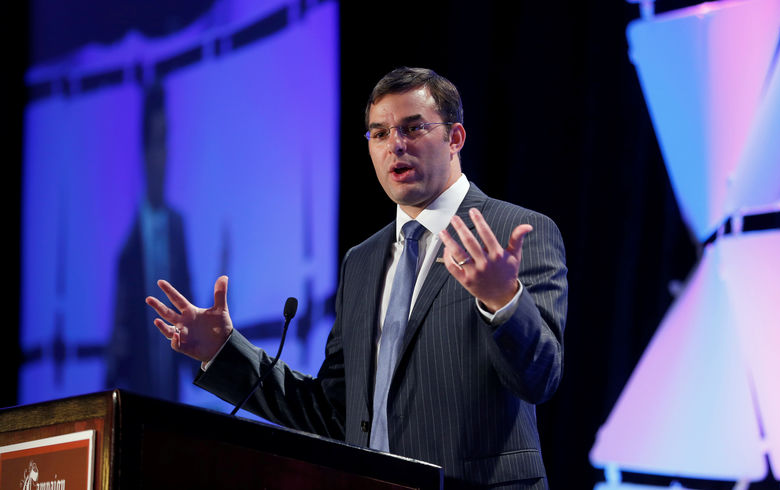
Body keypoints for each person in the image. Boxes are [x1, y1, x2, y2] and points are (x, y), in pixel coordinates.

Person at [145, 67, 567, 489]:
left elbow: (541, 378)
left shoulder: (514, 233)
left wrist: (502, 301)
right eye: (379, 133)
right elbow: (333, 413)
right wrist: (224, 352)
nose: (395, 145)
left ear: (454, 138)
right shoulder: (361, 261)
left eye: (413, 128)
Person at [107, 81, 193, 401]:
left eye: (167, 141)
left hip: (173, 403)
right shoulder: (128, 245)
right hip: (136, 399)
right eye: (157, 143)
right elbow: (118, 341)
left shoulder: (177, 227)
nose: (164, 155)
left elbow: (190, 309)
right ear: (145, 153)